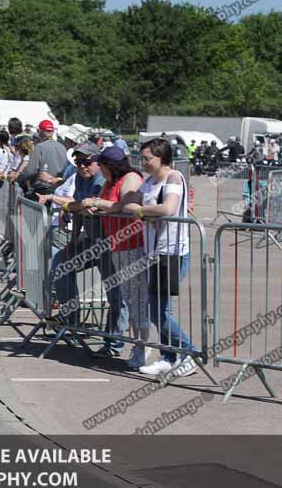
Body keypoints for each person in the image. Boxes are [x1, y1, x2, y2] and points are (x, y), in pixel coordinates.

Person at [39, 142, 129, 359]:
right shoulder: (80, 177)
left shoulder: (101, 179)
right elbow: (80, 207)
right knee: (61, 263)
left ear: (98, 162)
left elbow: (85, 206)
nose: (81, 166)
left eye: (86, 162)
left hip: (111, 244)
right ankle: (72, 321)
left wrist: (67, 204)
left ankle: (114, 344)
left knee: (116, 295)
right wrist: (72, 240)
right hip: (90, 240)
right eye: (78, 162)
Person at [118, 138, 196, 376]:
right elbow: (128, 202)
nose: (143, 163)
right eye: (142, 158)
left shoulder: (173, 178)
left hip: (171, 253)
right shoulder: (150, 181)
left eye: (147, 158)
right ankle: (169, 356)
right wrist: (104, 204)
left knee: (158, 311)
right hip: (153, 253)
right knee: (160, 309)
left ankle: (190, 353)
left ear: (161, 158)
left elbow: (168, 209)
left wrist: (139, 211)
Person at [78, 147, 149, 369]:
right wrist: (96, 207)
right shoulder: (110, 182)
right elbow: (111, 206)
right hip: (118, 244)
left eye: (102, 164)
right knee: (129, 298)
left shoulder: (130, 178)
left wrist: (98, 204)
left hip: (133, 243)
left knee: (138, 301)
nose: (98, 167)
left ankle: (143, 347)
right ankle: (138, 345)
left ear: (111, 165)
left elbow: (125, 206)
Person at [18, 119, 68, 199]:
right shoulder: (62, 147)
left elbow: (30, 171)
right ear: (52, 132)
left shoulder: (40, 147)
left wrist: (19, 179)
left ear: (40, 131)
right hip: (59, 189)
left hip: (42, 191)